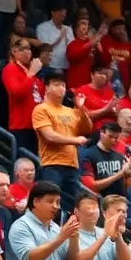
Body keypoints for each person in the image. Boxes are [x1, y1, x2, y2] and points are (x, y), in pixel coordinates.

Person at [32, 71, 92, 218]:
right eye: (56, 84)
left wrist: (81, 108)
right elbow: (49, 136)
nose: (61, 88)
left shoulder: (71, 111)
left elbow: (87, 128)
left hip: (72, 165)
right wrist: (75, 140)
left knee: (78, 204)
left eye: (63, 85)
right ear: (47, 88)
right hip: (52, 164)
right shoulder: (41, 109)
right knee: (50, 202)